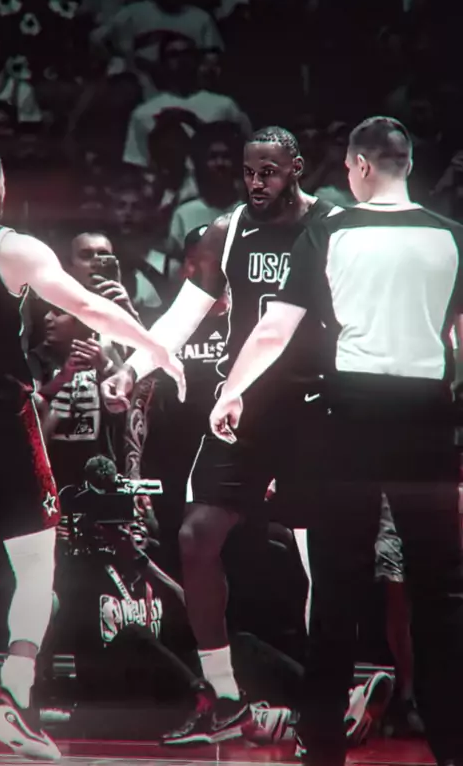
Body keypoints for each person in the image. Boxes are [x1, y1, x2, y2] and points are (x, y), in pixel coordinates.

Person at [210, 116, 463, 766]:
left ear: (360, 166)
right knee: (439, 593)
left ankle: (321, 747)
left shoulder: (331, 229)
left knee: (336, 589)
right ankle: (451, 745)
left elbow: (275, 329)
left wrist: (232, 390)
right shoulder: (451, 236)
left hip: (348, 420)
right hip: (428, 423)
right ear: (408, 165)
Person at [102, 126, 336, 742]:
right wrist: (134, 366)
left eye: (270, 171)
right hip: (243, 407)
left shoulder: (333, 227)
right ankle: (224, 695)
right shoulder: (225, 231)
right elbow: (182, 315)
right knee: (196, 534)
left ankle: (326, 699)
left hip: (316, 406)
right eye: (249, 171)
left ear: (297, 167)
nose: (257, 183)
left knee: (320, 555)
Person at [0, 140, 184, 762]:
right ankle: (12, 693)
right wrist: (155, 348)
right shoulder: (11, 246)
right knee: (35, 563)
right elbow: (88, 304)